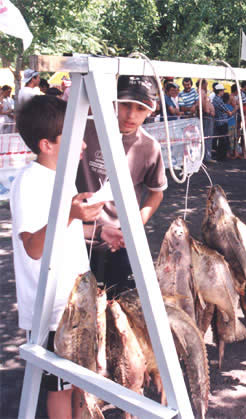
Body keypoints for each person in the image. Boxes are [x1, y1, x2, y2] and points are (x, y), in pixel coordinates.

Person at [11, 95, 104, 417]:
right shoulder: (30, 182)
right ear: (46, 144)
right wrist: (70, 213)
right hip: (51, 311)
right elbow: (33, 246)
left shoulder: (60, 178)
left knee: (82, 383)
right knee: (61, 388)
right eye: (74, 136)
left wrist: (91, 225)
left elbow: (62, 230)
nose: (83, 144)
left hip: (73, 303)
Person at [77, 75, 168, 299]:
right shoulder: (83, 129)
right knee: (74, 308)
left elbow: (156, 193)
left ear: (151, 110)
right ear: (113, 101)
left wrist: (133, 227)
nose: (131, 115)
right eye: (126, 104)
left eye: (140, 108)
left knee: (120, 306)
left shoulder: (149, 146)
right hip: (76, 236)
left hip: (118, 243)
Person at [212, 83, 234, 161]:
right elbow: (229, 112)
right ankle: (221, 156)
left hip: (219, 121)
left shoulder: (215, 99)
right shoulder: (219, 100)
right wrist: (236, 108)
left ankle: (221, 156)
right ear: (220, 91)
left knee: (221, 139)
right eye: (222, 91)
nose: (223, 92)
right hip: (222, 122)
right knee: (223, 140)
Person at [198, 79, 216, 163]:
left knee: (208, 137)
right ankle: (207, 157)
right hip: (207, 116)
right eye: (206, 84)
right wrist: (208, 111)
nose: (207, 85)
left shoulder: (202, 92)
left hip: (208, 116)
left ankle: (207, 155)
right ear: (203, 84)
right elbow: (202, 102)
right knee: (207, 137)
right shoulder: (201, 92)